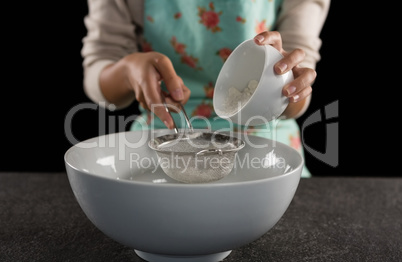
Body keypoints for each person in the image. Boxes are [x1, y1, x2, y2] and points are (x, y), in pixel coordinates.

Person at [81, 0, 330, 177]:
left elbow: (299, 88)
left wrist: (288, 84)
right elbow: (100, 65)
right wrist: (127, 71)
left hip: (267, 147)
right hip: (157, 142)